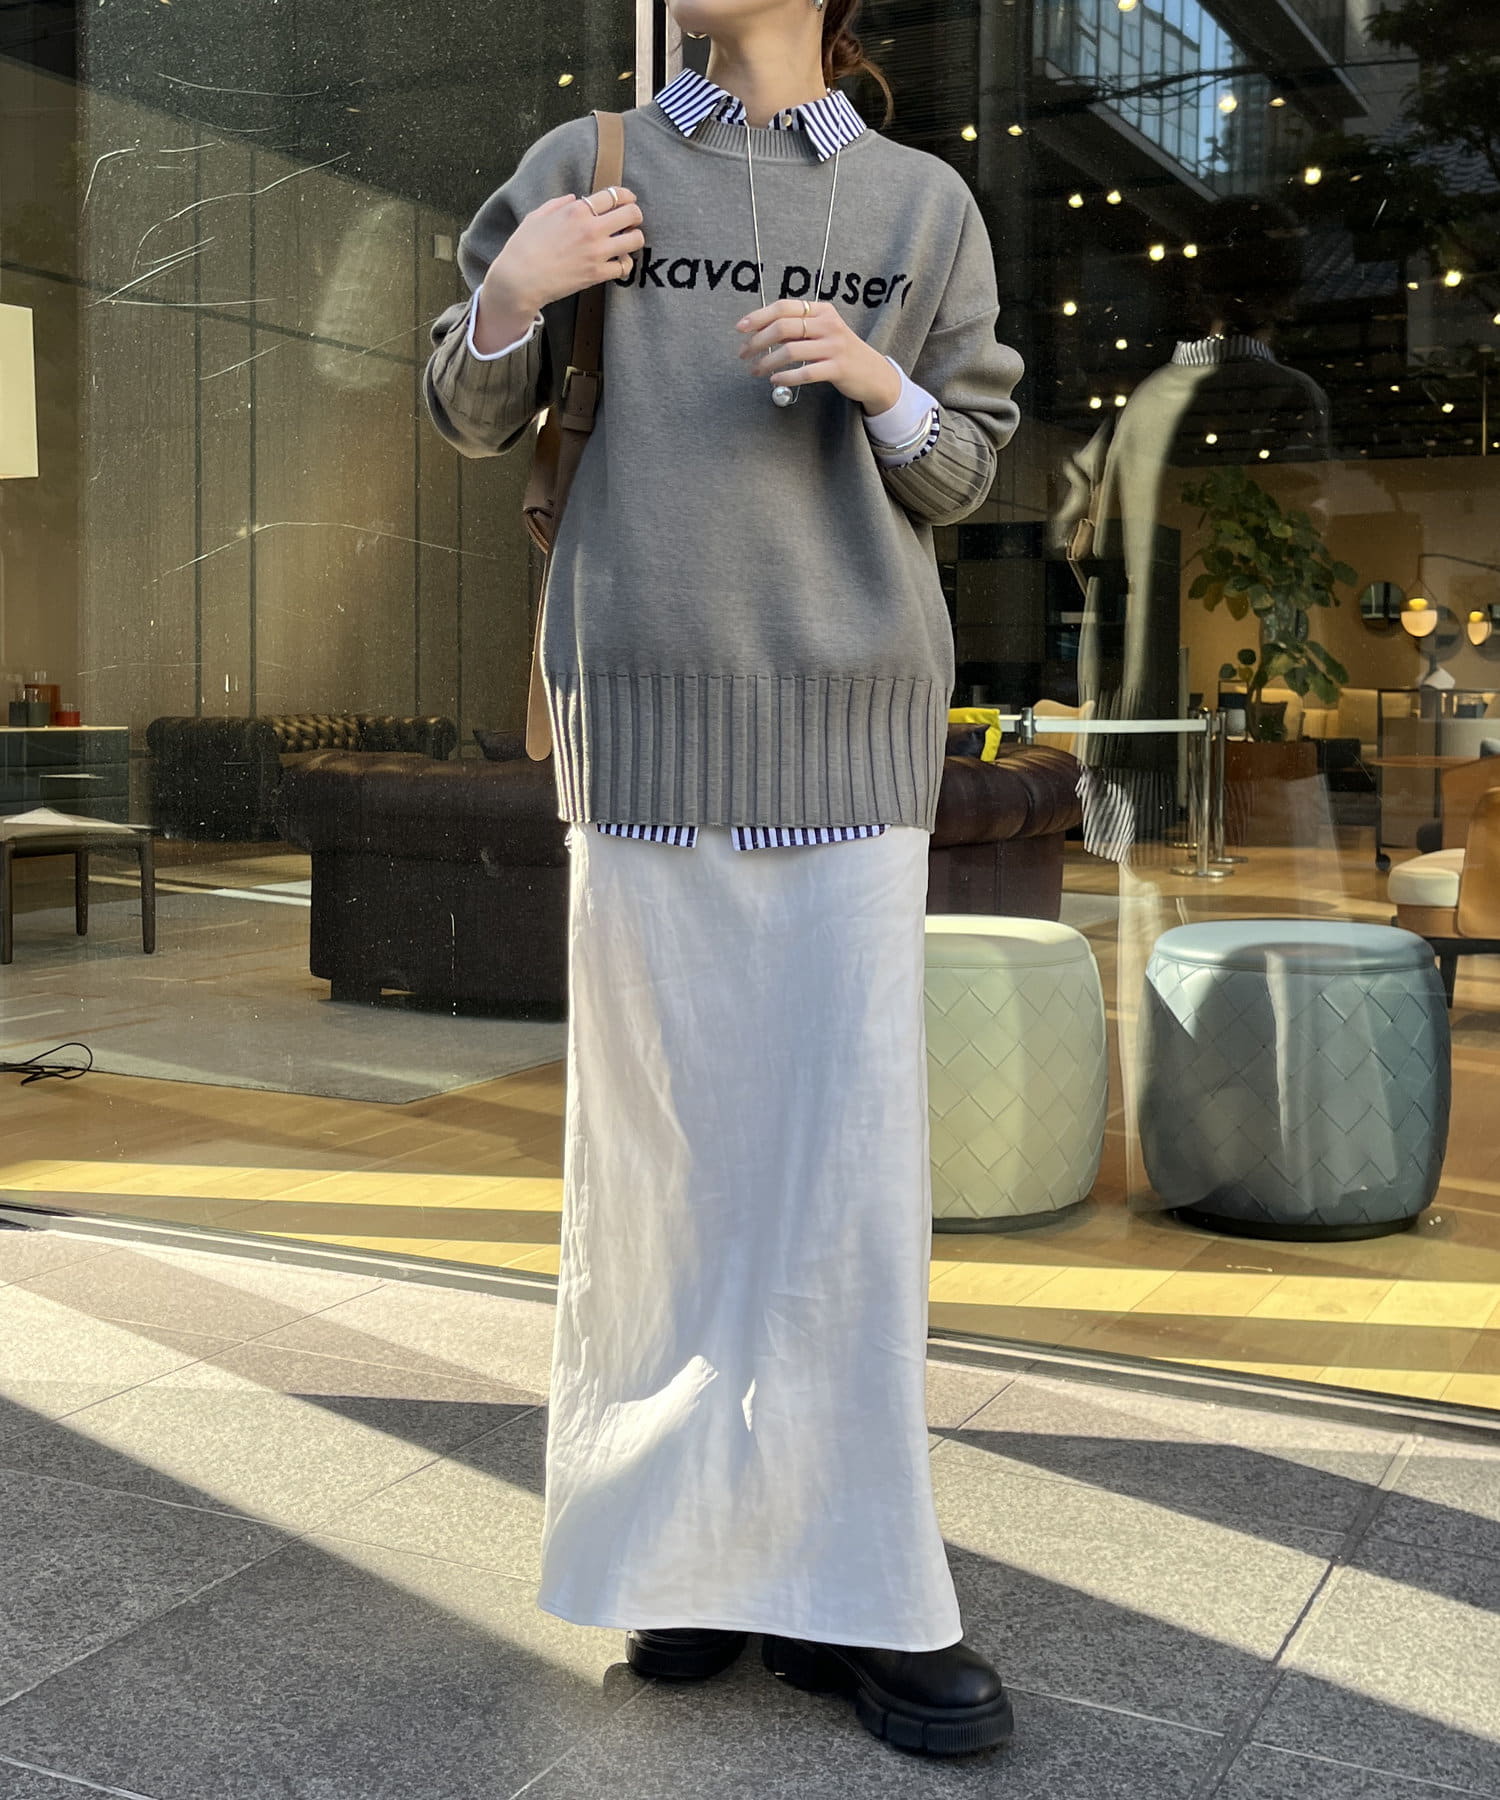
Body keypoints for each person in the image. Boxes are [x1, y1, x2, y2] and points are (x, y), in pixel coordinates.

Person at [423, 0, 1023, 1759]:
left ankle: (860, 1594)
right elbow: (466, 411)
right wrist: (513, 292)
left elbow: (969, 470)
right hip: (644, 731)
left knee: (842, 1188)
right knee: (657, 1179)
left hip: (846, 734)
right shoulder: (592, 161)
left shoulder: (919, 203)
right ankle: (678, 1552)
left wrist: (877, 383)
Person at [1058, 195, 1331, 858]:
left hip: (1128, 652)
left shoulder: (1141, 398)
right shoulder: (1295, 396)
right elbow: (1312, 531)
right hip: (1210, 651)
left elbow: (1076, 532)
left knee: (1126, 837)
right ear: (1285, 297)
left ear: (1197, 284)